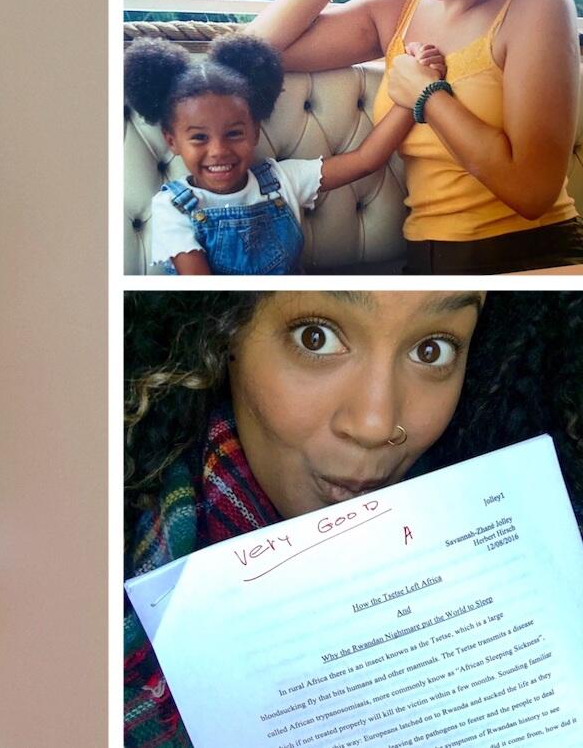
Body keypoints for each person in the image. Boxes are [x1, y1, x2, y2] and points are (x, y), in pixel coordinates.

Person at [122, 290, 583, 747]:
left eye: (432, 350)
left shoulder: (530, 571)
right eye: (316, 337)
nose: (376, 424)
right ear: (226, 334)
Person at [247, 0, 583, 273]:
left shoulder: (539, 6)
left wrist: (427, 96)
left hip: (536, 261)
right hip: (427, 270)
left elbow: (532, 192)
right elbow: (252, 53)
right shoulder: (397, 11)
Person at [126, 33, 441, 274]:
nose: (218, 150)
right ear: (172, 141)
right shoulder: (173, 206)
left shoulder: (282, 179)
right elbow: (201, 288)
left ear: (255, 132)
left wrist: (415, 93)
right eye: (199, 138)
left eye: (234, 133)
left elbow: (366, 160)